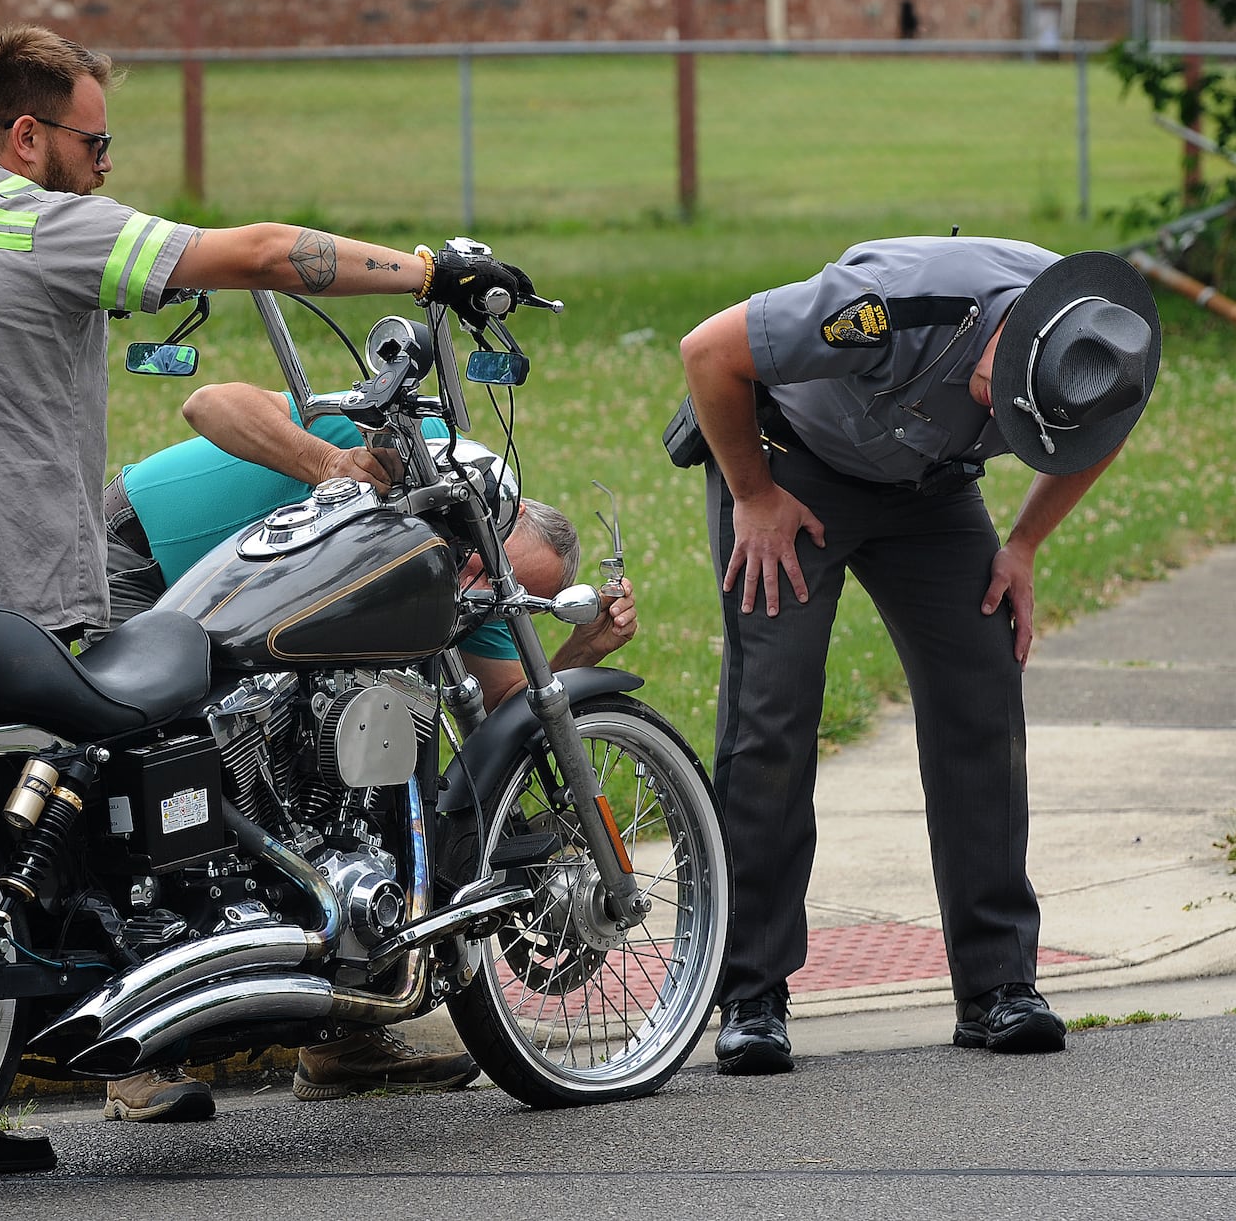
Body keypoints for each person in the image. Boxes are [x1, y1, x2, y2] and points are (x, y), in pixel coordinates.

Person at [0, 23, 531, 643]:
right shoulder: (45, 228)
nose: (105, 167)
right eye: (94, 144)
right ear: (27, 136)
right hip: (12, 608)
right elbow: (262, 255)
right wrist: (428, 272)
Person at [676, 237, 1159, 1075]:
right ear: (1018, 331)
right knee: (773, 715)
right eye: (1003, 395)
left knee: (982, 693)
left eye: (1025, 423)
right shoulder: (894, 302)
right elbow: (709, 351)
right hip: (794, 464)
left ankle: (999, 985)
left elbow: (1099, 436)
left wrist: (1026, 545)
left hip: (933, 488)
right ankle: (750, 990)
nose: (1002, 414)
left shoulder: (1103, 352)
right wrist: (753, 496)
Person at [95, 382, 639, 1119]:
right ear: (481, 517)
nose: (476, 590)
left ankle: (339, 1033)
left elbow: (508, 712)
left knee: (347, 776)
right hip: (146, 553)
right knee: (164, 779)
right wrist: (327, 460)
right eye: (481, 566)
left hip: (259, 613)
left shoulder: (469, 576)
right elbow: (208, 403)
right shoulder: (398, 445)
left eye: (500, 592)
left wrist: (583, 646)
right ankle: (130, 1053)